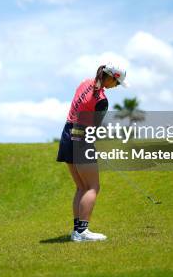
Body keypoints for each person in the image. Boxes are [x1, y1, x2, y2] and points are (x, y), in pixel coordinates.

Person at [56, 64, 127, 242]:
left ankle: (77, 232)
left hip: (67, 134)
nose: (116, 86)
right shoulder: (102, 100)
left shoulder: (84, 82)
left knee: (81, 186)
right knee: (93, 187)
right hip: (80, 136)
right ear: (110, 77)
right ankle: (82, 232)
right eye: (117, 83)